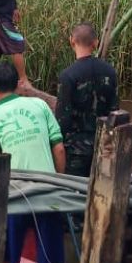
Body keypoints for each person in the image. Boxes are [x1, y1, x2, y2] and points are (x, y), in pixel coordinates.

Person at [0, 61, 66, 263]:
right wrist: (59, 182)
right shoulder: (39, 105)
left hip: (13, 196)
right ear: (18, 84)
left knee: (6, 259)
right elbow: (59, 148)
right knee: (53, 260)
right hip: (47, 190)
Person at [55, 23, 120, 177]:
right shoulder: (110, 71)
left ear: (72, 41)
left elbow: (63, 120)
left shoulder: (68, 76)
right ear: (96, 43)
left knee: (76, 193)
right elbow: (115, 109)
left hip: (76, 150)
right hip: (105, 144)